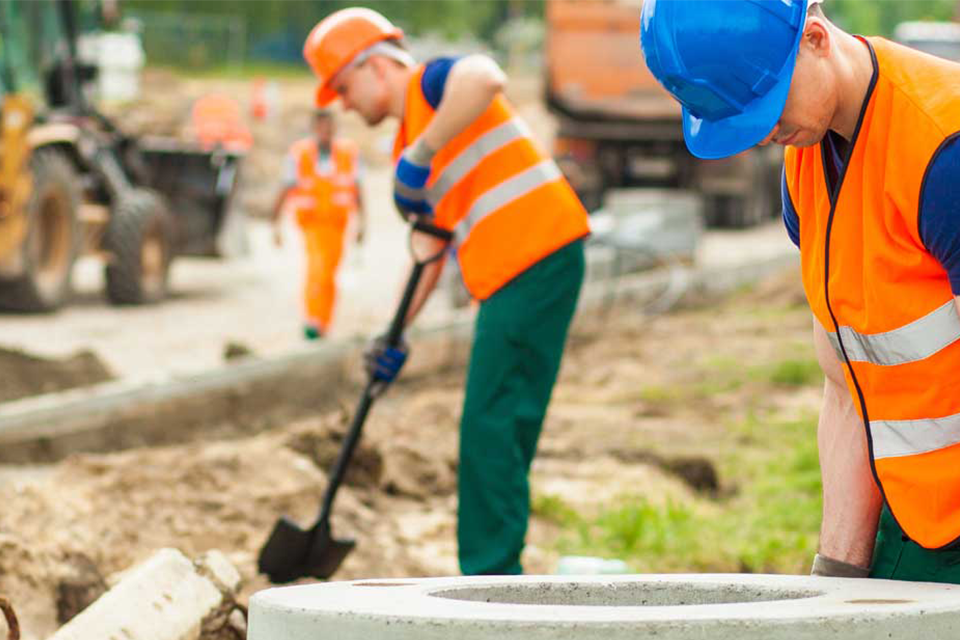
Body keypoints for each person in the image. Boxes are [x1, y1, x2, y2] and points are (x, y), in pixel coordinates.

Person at [641, 0, 960, 582]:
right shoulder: (806, 167)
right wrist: (835, 575)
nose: (763, 134)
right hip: (915, 511)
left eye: (766, 105)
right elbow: (846, 385)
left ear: (814, 37)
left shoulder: (945, 153)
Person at [302, 8, 590, 575]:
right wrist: (395, 334)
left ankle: (490, 577)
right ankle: (498, 568)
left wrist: (422, 153)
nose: (343, 105)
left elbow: (486, 77)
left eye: (343, 85)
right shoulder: (412, 138)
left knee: (490, 421)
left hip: (532, 254)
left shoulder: (432, 87)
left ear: (377, 65)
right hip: (533, 263)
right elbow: (430, 251)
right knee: (503, 419)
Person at [271, 109, 366, 340]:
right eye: (321, 127)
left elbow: (357, 189)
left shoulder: (347, 153)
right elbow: (286, 186)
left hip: (337, 224)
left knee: (329, 274)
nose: (325, 132)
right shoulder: (300, 153)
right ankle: (313, 320)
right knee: (317, 270)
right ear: (314, 128)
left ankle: (324, 321)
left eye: (329, 126)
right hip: (312, 224)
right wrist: (274, 222)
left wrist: (364, 222)